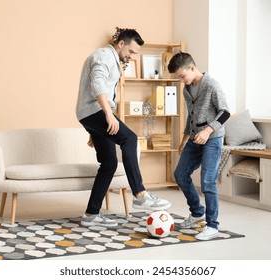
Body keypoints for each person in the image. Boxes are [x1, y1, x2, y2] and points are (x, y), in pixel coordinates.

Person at [76, 28, 171, 227]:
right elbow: (97, 84)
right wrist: (108, 116)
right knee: (130, 139)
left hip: (92, 114)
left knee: (109, 163)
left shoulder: (113, 59)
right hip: (95, 111)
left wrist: (97, 129)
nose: (132, 56)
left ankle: (91, 214)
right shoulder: (104, 55)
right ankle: (139, 194)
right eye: (131, 51)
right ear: (121, 44)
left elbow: (106, 93)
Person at [167, 52, 230, 240]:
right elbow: (191, 116)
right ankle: (196, 212)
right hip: (194, 139)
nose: (181, 80)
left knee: (207, 182)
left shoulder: (211, 85)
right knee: (180, 174)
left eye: (181, 75)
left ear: (192, 68)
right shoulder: (187, 89)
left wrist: (208, 131)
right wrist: (185, 138)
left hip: (212, 138)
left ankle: (212, 226)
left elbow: (225, 112)